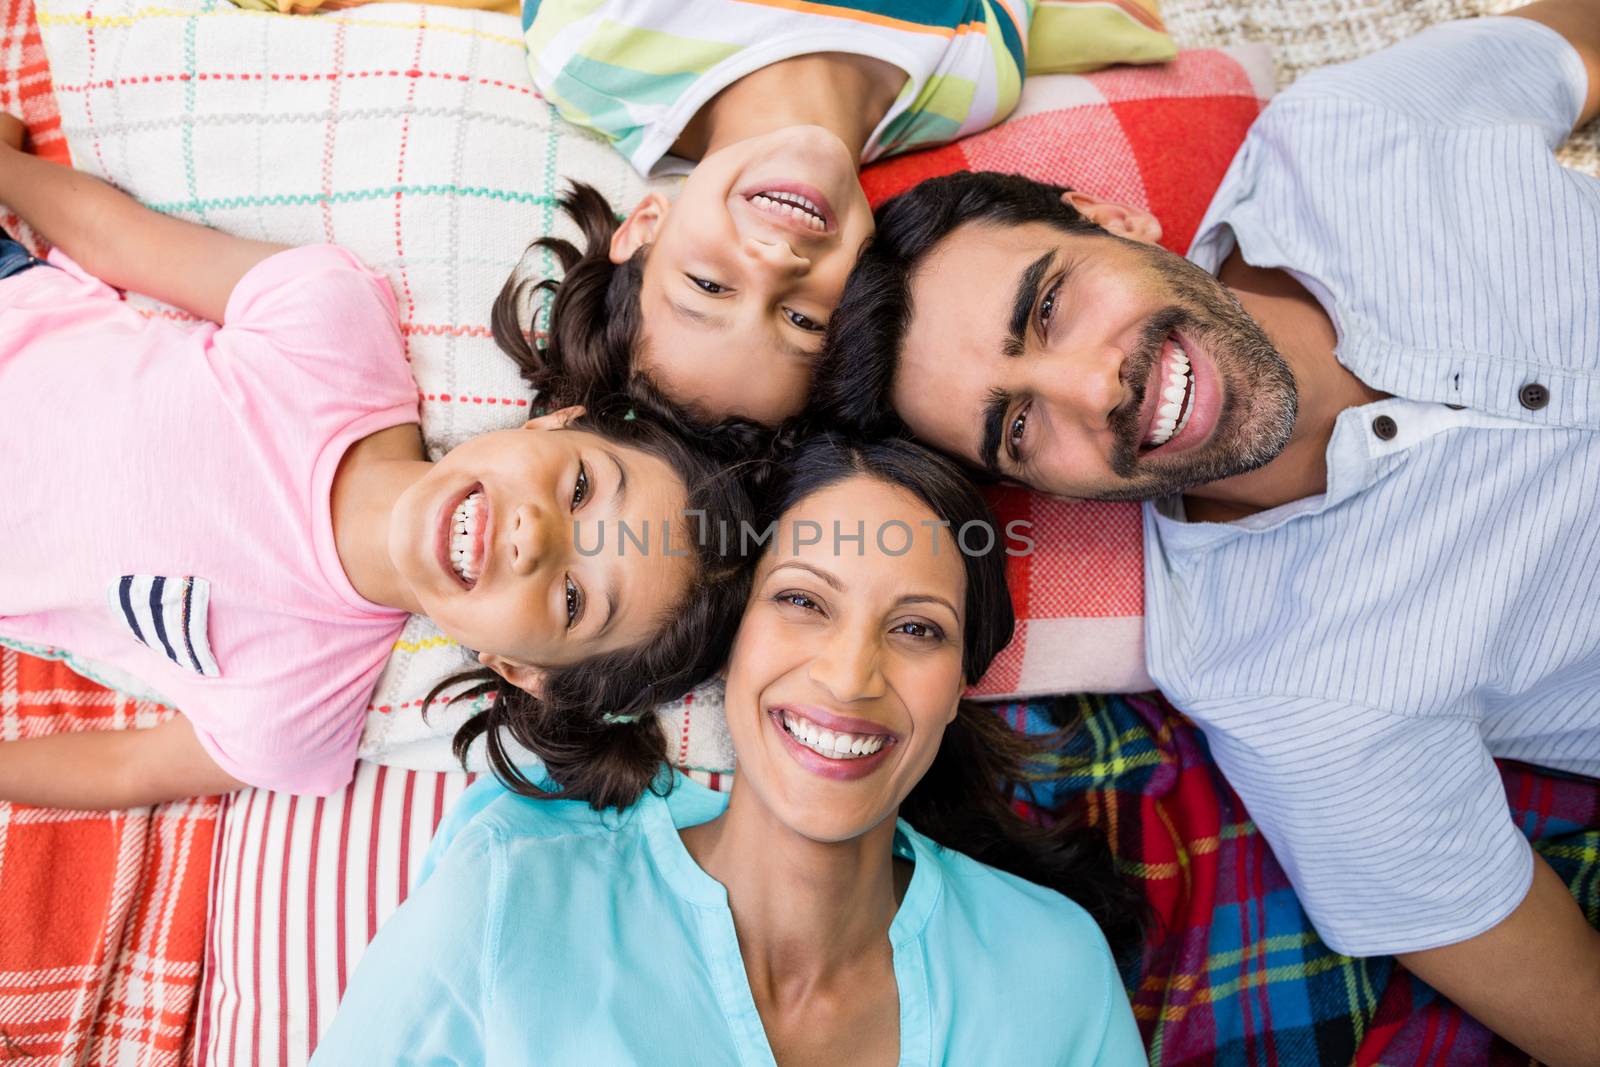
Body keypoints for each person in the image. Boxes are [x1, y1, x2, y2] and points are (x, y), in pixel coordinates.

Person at [810, 3, 1600, 1063]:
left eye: (1048, 308)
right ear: (1037, 490)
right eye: (1018, 424)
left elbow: (1571, 46)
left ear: (1115, 218)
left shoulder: (1346, 134)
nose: (1096, 385)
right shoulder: (1282, 685)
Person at [0, 114, 753, 810]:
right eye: (583, 486)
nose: (535, 536)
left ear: (521, 670)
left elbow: (128, 769)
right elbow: (117, 239)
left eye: (574, 601)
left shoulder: (299, 707)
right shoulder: (334, 330)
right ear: (560, 422)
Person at [313, 436, 1145, 1065]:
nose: (850, 675)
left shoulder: (1056, 971)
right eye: (801, 600)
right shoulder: (508, 900)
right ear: (728, 640)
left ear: (960, 683)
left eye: (918, 628)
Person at [509, 0, 1048, 429]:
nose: (773, 262)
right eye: (802, 320)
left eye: (709, 286)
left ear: (647, 226)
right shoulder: (980, 77)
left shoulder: (589, 44)